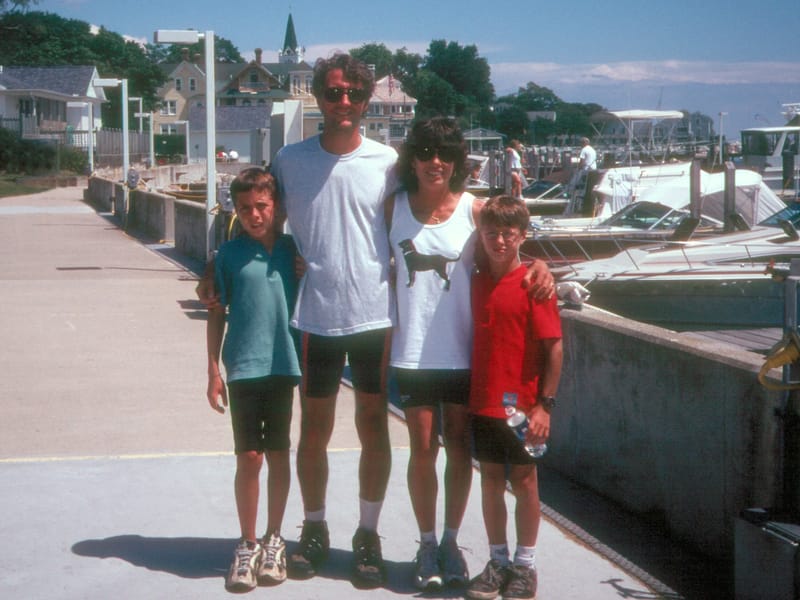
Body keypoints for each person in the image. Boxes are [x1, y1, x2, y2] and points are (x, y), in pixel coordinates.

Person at [198, 54, 555, 589]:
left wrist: (539, 261)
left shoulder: (389, 161)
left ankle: (368, 533)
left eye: (354, 94)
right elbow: (256, 212)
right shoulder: (290, 160)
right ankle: (314, 529)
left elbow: (488, 218)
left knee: (374, 431)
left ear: (367, 101)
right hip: (315, 316)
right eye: (334, 92)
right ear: (317, 96)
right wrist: (216, 262)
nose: (344, 102)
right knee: (313, 433)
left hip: (376, 319)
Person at [390, 118, 555, 592]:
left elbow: (512, 246)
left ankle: (450, 542)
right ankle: (426, 543)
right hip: (414, 354)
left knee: (460, 452)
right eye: (425, 152)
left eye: (444, 153)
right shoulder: (393, 208)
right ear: (413, 159)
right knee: (423, 450)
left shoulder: (473, 208)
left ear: (457, 161)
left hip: (467, 358)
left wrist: (542, 264)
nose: (434, 161)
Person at [205, 168, 300, 593]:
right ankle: (247, 543)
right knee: (250, 457)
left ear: (275, 206)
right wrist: (212, 371)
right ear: (235, 210)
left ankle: (274, 538)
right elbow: (214, 311)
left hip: (284, 366)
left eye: (261, 206)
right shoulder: (225, 255)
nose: (254, 215)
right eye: (245, 208)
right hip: (242, 368)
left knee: (279, 454)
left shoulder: (294, 251)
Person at [465, 195, 563, 600]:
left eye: (508, 234)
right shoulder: (474, 278)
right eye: (491, 233)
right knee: (489, 481)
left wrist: (545, 405)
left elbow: (555, 348)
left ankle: (525, 565)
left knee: (524, 481)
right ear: (481, 235)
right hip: (483, 402)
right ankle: (498, 560)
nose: (499, 241)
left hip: (523, 407)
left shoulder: (534, 284)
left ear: (522, 236)